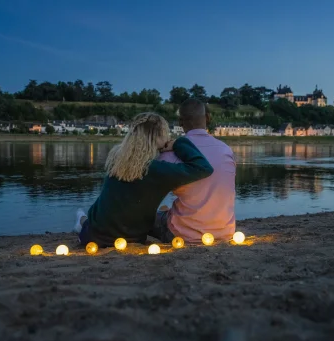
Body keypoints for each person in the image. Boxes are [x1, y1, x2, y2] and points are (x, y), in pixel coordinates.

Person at [73, 112, 214, 247]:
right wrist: (179, 143)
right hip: (132, 239)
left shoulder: (116, 157)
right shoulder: (157, 170)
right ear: (158, 136)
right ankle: (81, 219)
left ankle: (82, 219)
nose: (168, 138)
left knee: (94, 217)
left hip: (92, 237)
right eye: (165, 134)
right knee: (159, 214)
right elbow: (203, 168)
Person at [153, 99, 236, 244]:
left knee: (151, 217)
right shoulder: (226, 150)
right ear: (208, 118)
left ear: (180, 122)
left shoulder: (169, 155)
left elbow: (152, 191)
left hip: (182, 235)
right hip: (225, 231)